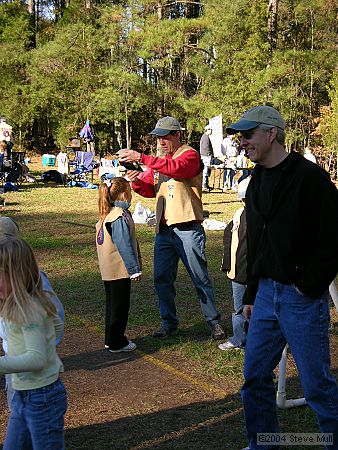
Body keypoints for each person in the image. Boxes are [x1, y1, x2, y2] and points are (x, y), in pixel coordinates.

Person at [225, 105, 338, 450]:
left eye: (247, 135)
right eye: (239, 136)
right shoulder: (256, 180)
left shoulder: (310, 178)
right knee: (255, 378)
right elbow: (258, 244)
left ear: (272, 133)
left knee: (316, 385)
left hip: (300, 298)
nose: (241, 142)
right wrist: (250, 294)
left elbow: (333, 237)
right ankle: (263, 443)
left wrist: (309, 285)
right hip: (264, 296)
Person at [119, 116, 225, 340]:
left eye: (165, 136)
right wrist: (136, 179)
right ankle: (169, 323)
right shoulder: (160, 160)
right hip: (164, 230)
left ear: (177, 134)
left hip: (188, 228)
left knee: (200, 278)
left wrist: (142, 158)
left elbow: (177, 169)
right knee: (161, 280)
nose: (161, 141)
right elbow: (151, 190)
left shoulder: (189, 155)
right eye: (158, 137)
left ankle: (214, 321)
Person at [0, 237, 67, 450]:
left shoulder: (29, 310)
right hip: (22, 394)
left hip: (42, 399)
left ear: (15, 276)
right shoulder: (20, 305)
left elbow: (37, 359)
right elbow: (56, 325)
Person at [96, 177, 141, 353]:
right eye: (130, 191)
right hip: (119, 270)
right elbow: (124, 244)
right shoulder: (118, 216)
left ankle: (111, 338)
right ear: (124, 195)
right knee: (120, 307)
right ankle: (117, 342)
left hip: (108, 270)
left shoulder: (106, 214)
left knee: (113, 305)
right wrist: (134, 270)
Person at [218, 177, 250, 351]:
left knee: (259, 311)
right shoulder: (238, 215)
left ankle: (257, 341)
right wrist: (227, 263)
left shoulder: (265, 217)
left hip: (256, 274)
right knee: (238, 309)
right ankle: (239, 339)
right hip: (238, 272)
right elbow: (229, 239)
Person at [199, 124, 214, 191]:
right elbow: (206, 148)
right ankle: (204, 186)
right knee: (205, 171)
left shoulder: (206, 137)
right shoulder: (205, 137)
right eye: (210, 129)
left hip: (206, 156)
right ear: (207, 130)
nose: (211, 131)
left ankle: (206, 185)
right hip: (206, 156)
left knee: (207, 171)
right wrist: (209, 155)